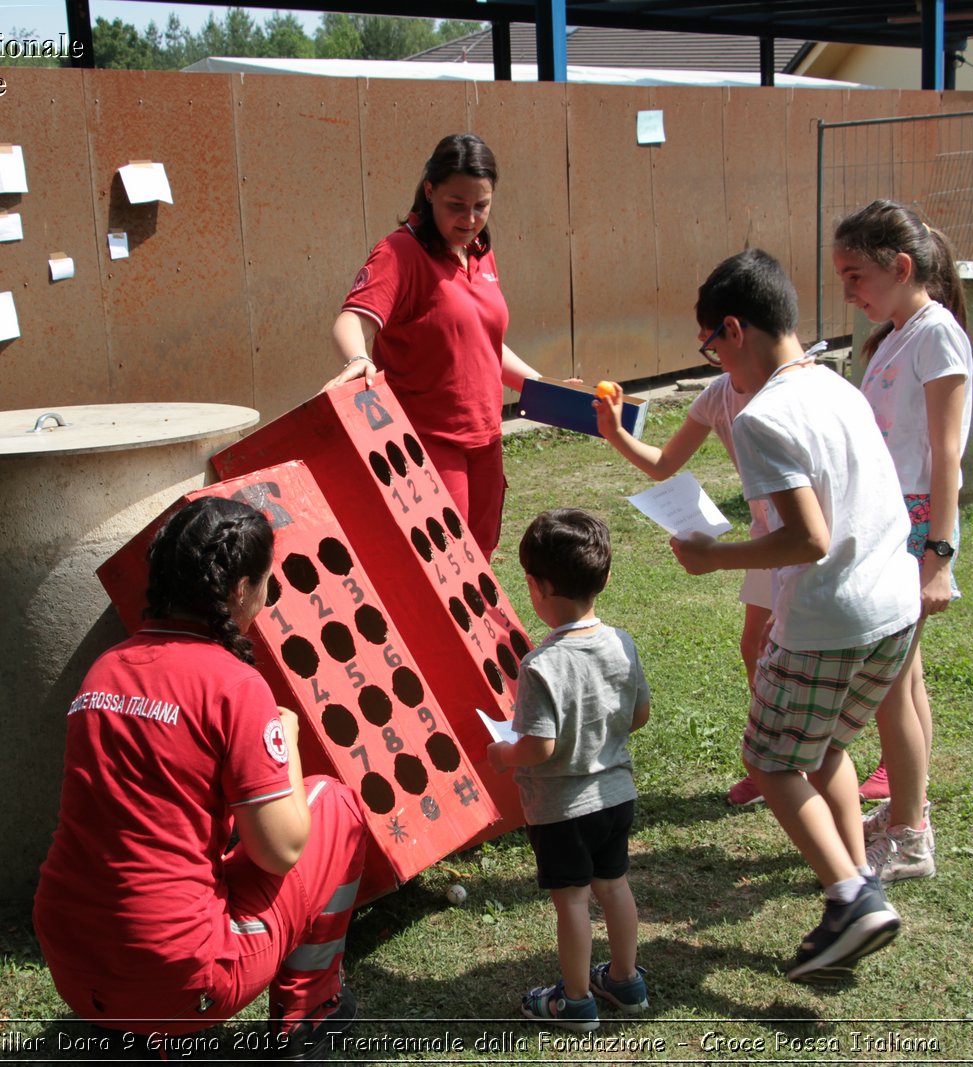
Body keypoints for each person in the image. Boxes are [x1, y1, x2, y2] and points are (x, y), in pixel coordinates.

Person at [32, 497, 367, 1061]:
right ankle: (309, 1013)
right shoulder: (235, 685)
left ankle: (134, 1028)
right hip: (178, 977)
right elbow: (280, 851)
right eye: (265, 582)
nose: (267, 594)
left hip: (72, 961)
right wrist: (285, 744)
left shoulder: (107, 666)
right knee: (335, 806)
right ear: (239, 590)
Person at [669, 250, 920, 983]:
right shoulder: (834, 384)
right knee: (825, 749)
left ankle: (850, 897)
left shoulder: (762, 415)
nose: (716, 362)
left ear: (735, 329)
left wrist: (714, 556)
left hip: (829, 622)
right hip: (894, 615)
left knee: (771, 759)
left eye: (711, 346)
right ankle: (851, 888)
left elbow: (807, 538)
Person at [325, 132, 565, 554]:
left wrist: (548, 388)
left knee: (482, 555)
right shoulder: (399, 253)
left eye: (482, 206)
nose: (470, 218)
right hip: (428, 442)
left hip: (486, 439)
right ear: (430, 190)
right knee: (445, 562)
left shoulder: (479, 252)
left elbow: (484, 346)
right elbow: (351, 320)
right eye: (457, 205)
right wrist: (359, 357)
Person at [832, 199, 973, 883]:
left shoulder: (936, 334)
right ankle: (903, 815)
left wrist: (937, 557)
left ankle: (911, 834)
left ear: (903, 266)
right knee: (903, 676)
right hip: (894, 516)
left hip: (917, 523)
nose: (849, 291)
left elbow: (946, 453)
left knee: (889, 681)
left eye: (856, 275)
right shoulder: (898, 333)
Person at [593, 349, 782, 808]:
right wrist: (615, 432)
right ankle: (773, 762)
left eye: (712, 336)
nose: (707, 346)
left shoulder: (787, 387)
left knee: (798, 650)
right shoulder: (718, 395)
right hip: (767, 534)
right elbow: (663, 464)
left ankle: (800, 759)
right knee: (755, 645)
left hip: (809, 535)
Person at [486, 509, 652, 1030]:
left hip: (562, 810)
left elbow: (538, 746)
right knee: (615, 886)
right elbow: (639, 715)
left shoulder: (541, 664)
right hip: (616, 796)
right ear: (601, 578)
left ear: (537, 587)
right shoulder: (621, 641)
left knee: (573, 902)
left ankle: (575, 1000)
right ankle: (625, 980)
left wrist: (503, 752)